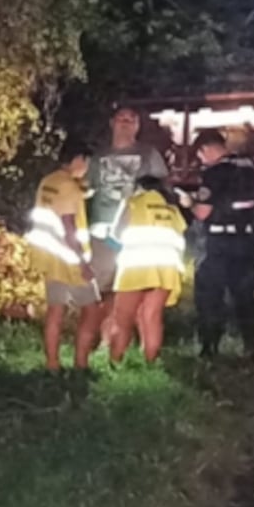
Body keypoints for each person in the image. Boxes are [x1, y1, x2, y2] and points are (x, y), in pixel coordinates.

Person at [85, 106, 170, 345]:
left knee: (139, 287)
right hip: (102, 233)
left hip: (137, 233)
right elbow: (86, 188)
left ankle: (141, 341)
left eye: (131, 119)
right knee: (104, 289)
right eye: (121, 118)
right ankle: (105, 339)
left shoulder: (148, 154)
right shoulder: (98, 157)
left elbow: (162, 188)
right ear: (112, 123)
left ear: (138, 125)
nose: (126, 122)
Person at [181, 129, 254, 360]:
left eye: (200, 155)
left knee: (209, 296)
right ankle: (251, 347)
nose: (201, 161)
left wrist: (189, 202)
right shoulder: (250, 168)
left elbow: (203, 213)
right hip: (246, 241)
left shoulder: (213, 174)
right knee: (244, 296)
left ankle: (209, 349)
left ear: (206, 149)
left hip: (218, 244)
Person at [25, 139, 102, 373]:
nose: (86, 168)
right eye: (86, 162)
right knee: (92, 309)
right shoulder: (69, 185)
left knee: (55, 309)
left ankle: (52, 364)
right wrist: (82, 262)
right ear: (78, 159)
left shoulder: (48, 181)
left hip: (49, 255)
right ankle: (81, 363)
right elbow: (69, 225)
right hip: (69, 258)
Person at [108, 175, 187, 363]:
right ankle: (151, 362)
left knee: (122, 319)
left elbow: (116, 234)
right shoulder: (172, 209)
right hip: (166, 270)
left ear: (139, 188)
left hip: (136, 267)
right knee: (152, 317)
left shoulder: (134, 203)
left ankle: (115, 361)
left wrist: (124, 201)